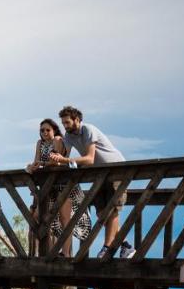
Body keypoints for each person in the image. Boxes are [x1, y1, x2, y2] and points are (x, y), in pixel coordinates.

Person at [50, 105, 133, 258]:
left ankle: (107, 248)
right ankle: (126, 245)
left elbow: (89, 159)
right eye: (63, 123)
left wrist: (65, 160)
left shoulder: (88, 129)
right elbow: (64, 157)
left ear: (77, 120)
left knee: (112, 209)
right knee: (102, 213)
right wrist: (54, 156)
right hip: (100, 174)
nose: (65, 126)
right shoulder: (68, 136)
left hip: (118, 170)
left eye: (67, 122)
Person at [28, 119, 92, 254]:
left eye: (47, 130)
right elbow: (37, 161)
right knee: (39, 217)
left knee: (65, 219)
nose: (44, 132)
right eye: (42, 130)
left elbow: (54, 161)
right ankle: (51, 252)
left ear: (54, 130)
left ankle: (65, 253)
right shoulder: (39, 143)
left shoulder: (57, 139)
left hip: (64, 184)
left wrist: (38, 164)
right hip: (48, 186)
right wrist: (32, 166)